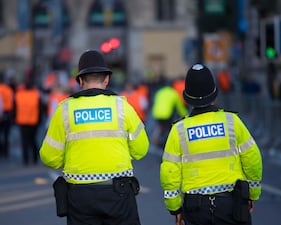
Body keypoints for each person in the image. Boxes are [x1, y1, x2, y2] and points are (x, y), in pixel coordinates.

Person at [39, 49, 149, 225]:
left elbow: (49, 157)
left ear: (80, 80)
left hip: (80, 197)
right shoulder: (122, 107)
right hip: (118, 194)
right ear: (107, 79)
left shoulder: (64, 110)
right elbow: (141, 150)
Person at [160, 64, 263, 225]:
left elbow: (169, 173)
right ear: (214, 94)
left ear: (187, 98)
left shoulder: (178, 130)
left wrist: (175, 209)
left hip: (195, 210)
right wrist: (252, 194)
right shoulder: (232, 122)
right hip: (232, 206)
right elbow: (253, 160)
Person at [151, 78, 187, 148]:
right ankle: (169, 142)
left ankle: (155, 139)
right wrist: (185, 114)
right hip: (166, 114)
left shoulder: (160, 92)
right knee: (169, 127)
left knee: (160, 126)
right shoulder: (173, 93)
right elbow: (179, 107)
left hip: (156, 113)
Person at [15, 75, 42, 165]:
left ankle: (25, 159)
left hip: (22, 121)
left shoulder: (19, 94)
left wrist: (15, 118)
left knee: (24, 141)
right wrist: (39, 120)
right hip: (33, 121)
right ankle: (34, 158)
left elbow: (15, 108)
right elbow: (40, 108)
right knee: (33, 140)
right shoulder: (36, 94)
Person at [0, 71, 14, 159]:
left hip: (2, 113)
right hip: (8, 113)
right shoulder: (9, 89)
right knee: (6, 134)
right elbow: (12, 101)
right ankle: (5, 150)